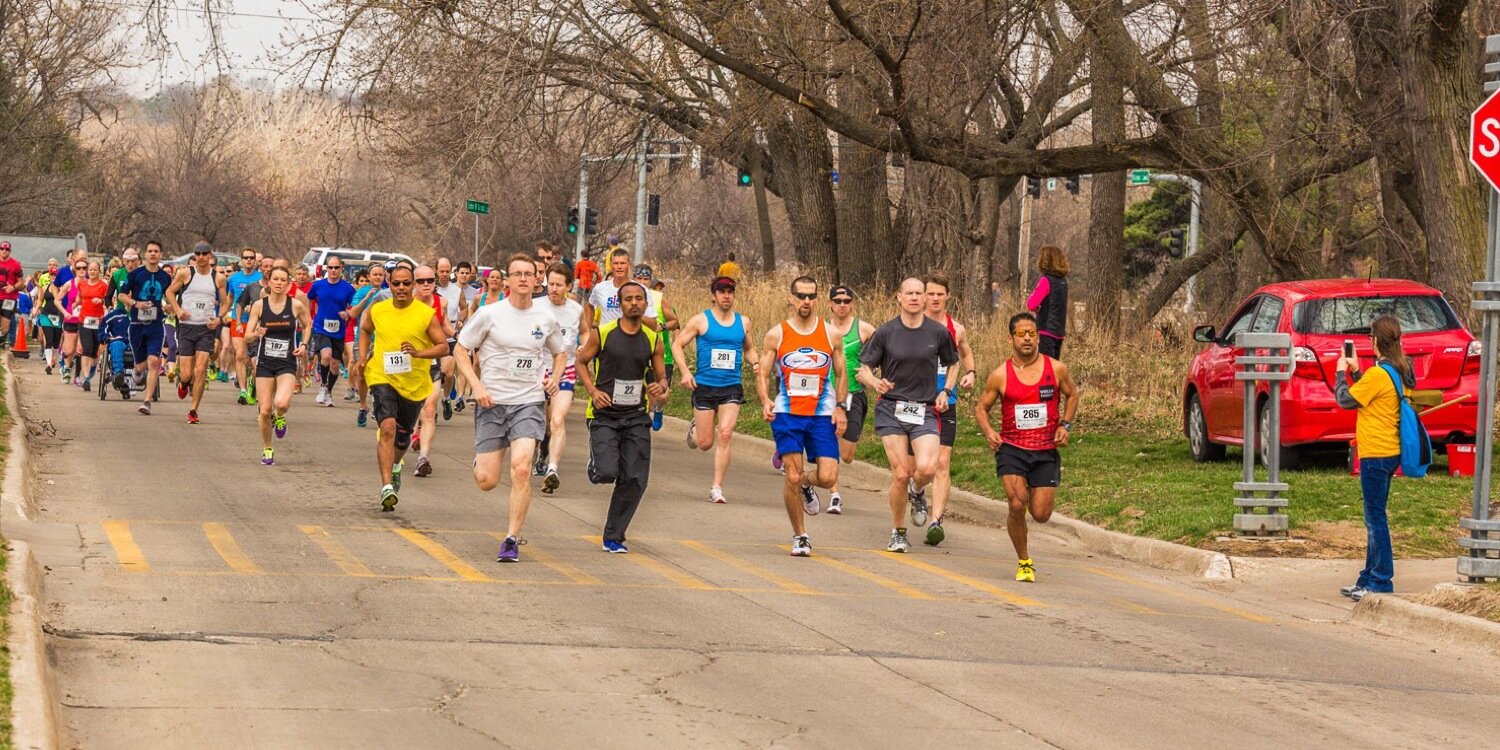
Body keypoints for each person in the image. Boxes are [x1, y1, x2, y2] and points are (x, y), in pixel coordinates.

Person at [452, 253, 566, 562]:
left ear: (536, 280)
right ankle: (481, 461)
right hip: (492, 402)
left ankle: (511, 538)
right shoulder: (490, 314)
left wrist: (554, 379)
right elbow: (461, 350)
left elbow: (560, 353)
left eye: (529, 274)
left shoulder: (545, 318)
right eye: (517, 274)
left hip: (528, 402)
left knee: (521, 467)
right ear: (507, 280)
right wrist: (477, 386)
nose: (523, 279)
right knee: (487, 480)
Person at [856, 277, 959, 553]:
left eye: (919, 293)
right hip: (892, 408)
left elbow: (953, 363)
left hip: (924, 408)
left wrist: (946, 391)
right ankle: (898, 532)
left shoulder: (938, 332)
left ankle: (917, 491)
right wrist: (873, 382)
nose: (914, 298)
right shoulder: (886, 332)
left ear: (925, 298)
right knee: (900, 474)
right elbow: (863, 367)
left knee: (926, 469)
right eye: (909, 293)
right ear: (898, 297)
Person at [974, 312, 1079, 582]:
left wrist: (1065, 425)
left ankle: (1034, 488)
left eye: (1032, 334)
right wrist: (989, 432)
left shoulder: (1055, 369)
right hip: (1012, 448)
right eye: (1022, 334)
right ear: (1010, 339)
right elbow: (982, 408)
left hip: (1045, 448)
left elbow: (1072, 394)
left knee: (1041, 514)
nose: (1028, 339)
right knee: (1017, 503)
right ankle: (1024, 561)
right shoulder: (1000, 375)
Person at [576, 281, 669, 554]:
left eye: (639, 298)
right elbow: (580, 361)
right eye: (628, 299)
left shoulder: (652, 339)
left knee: (636, 478)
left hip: (636, 416)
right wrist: (592, 391)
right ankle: (596, 465)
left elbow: (661, 377)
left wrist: (659, 387)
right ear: (620, 304)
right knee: (607, 472)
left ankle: (614, 536)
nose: (634, 303)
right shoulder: (603, 333)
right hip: (604, 414)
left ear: (645, 303)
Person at [757, 276, 847, 557]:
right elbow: (762, 371)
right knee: (792, 477)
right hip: (788, 413)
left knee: (828, 475)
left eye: (811, 296)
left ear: (816, 299)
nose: (806, 301)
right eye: (801, 296)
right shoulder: (777, 334)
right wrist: (765, 400)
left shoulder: (831, 334)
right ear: (791, 298)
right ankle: (800, 535)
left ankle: (808, 483)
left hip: (821, 413)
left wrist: (841, 406)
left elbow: (842, 372)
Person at [352, 263, 449, 511]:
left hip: (414, 383)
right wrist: (362, 357)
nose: (402, 288)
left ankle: (395, 466)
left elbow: (443, 347)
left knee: (402, 438)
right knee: (387, 428)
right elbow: (364, 330)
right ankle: (386, 487)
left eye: (407, 283)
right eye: (397, 283)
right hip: (382, 375)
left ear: (413, 285)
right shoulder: (379, 309)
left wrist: (419, 352)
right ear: (389, 284)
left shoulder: (425, 314)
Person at [1334, 315, 1412, 601]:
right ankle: (1367, 578)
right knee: (1373, 515)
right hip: (1388, 451)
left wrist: (1341, 373)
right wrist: (1357, 374)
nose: (1369, 340)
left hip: (1376, 453)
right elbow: (1369, 397)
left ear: (1377, 340)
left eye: (1370, 336)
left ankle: (1381, 580)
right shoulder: (1396, 370)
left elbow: (1345, 400)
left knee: (1375, 518)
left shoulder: (1380, 374)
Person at [672, 275, 758, 504]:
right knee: (705, 443)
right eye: (722, 292)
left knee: (726, 433)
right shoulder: (701, 321)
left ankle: (717, 487)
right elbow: (677, 345)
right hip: (705, 385)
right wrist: (685, 372)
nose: (726, 296)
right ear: (714, 295)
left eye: (730, 292)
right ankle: (695, 429)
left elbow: (749, 349)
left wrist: (756, 363)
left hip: (731, 386)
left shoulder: (744, 322)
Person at [920, 272, 977, 546]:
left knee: (942, 463)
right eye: (930, 294)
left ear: (947, 296)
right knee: (918, 469)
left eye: (939, 294)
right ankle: (916, 490)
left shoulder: (957, 328)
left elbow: (965, 352)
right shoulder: (912, 325)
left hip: (946, 402)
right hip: (915, 401)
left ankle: (936, 520)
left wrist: (972, 373)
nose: (934, 299)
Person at [243, 266, 313, 466]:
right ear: (270, 282)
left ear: (288, 283)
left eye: (283, 280)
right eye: (276, 279)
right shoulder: (259, 306)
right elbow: (247, 337)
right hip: (265, 361)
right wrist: (256, 333)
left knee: (281, 403)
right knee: (264, 410)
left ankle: (280, 416)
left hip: (286, 362)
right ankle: (267, 448)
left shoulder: (296, 305)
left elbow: (307, 324)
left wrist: (304, 344)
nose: (279, 283)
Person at [164, 242, 230, 424]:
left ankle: (193, 410)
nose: (201, 257)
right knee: (186, 374)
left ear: (210, 255)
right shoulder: (185, 273)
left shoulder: (218, 278)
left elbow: (225, 303)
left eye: (204, 254)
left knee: (200, 370)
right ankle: (184, 383)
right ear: (194, 255)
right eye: (198, 254)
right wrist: (177, 310)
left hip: (205, 328)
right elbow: (169, 292)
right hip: (186, 327)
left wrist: (219, 318)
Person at [823, 284, 875, 514]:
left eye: (846, 301)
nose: (842, 305)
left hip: (855, 394)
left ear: (852, 303)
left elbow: (880, 356)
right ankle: (834, 495)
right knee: (831, 443)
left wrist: (871, 375)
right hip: (827, 395)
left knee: (847, 454)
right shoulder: (821, 329)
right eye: (838, 301)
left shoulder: (865, 330)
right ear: (830, 304)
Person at [534, 262, 585, 493]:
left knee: (557, 420)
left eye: (558, 285)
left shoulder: (576, 309)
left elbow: (585, 330)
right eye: (550, 284)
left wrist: (584, 345)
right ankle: (542, 450)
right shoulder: (535, 306)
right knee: (543, 423)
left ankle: (552, 469)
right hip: (538, 370)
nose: (553, 289)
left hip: (566, 370)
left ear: (569, 286)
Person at [117, 241, 173, 415]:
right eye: (150, 251)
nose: (153, 254)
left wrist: (170, 306)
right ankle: (137, 374)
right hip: (137, 325)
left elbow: (170, 296)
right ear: (146, 255)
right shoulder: (136, 274)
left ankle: (147, 401)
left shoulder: (165, 277)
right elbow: (121, 295)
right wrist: (136, 303)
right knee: (140, 365)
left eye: (156, 251)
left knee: (154, 362)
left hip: (156, 325)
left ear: (160, 255)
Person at [410, 265, 456, 477]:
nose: (426, 285)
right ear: (414, 283)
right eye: (421, 281)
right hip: (406, 365)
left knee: (429, 409)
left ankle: (423, 459)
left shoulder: (441, 303)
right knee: (409, 411)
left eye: (430, 280)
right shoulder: (405, 302)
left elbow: (446, 327)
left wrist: (458, 334)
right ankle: (411, 432)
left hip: (430, 362)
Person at [307, 256, 357, 407]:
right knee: (326, 355)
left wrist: (347, 313)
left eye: (336, 268)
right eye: (330, 268)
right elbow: (309, 299)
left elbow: (354, 306)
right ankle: (322, 385)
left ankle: (328, 391)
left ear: (341, 268)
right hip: (321, 326)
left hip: (339, 329)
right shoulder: (318, 285)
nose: (333, 271)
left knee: (335, 365)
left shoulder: (348, 288)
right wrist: (310, 317)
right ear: (326, 269)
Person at [226, 247, 263, 405]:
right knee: (240, 354)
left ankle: (251, 383)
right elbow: (230, 298)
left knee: (252, 361)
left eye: (251, 258)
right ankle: (242, 390)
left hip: (256, 323)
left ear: (255, 260)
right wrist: (223, 313)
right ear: (241, 260)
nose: (248, 260)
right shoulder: (233, 278)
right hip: (238, 321)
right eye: (246, 258)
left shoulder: (261, 277)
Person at [72, 262, 111, 391]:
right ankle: (86, 378)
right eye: (91, 270)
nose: (92, 272)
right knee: (86, 349)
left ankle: (92, 370)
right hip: (84, 320)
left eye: (95, 270)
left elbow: (109, 300)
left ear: (99, 271)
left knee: (95, 352)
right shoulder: (82, 284)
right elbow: (79, 298)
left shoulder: (103, 286)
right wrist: (74, 305)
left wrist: (101, 301)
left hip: (98, 321)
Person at [1025, 245, 1069, 358]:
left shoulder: (1045, 280)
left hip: (1046, 331)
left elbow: (1031, 304)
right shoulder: (1063, 282)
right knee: (1053, 367)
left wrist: (1037, 307)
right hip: (1059, 332)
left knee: (1044, 368)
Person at [587, 248, 634, 328]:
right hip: (606, 338)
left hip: (630, 338)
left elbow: (652, 323)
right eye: (616, 263)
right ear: (611, 265)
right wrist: (587, 331)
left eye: (622, 263)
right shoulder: (600, 288)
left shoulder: (639, 289)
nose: (619, 267)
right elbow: (589, 307)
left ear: (628, 265)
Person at [0, 241, 24, 347]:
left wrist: (13, 287)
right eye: (2, 249)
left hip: (9, 298)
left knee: (5, 325)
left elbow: (21, 282)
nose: (4, 251)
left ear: (10, 251)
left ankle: (3, 337)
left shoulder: (15, 264)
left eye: (7, 249)